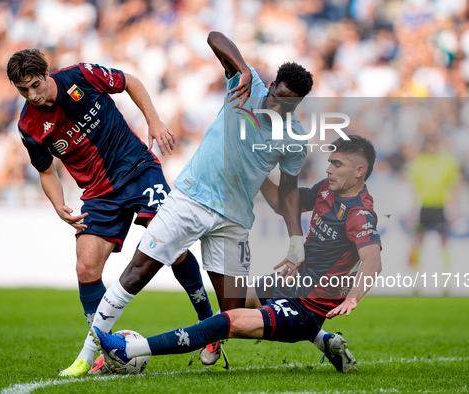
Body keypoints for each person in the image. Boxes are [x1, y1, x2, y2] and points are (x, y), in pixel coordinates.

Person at [85, 30, 314, 372]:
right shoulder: (244, 84)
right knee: (135, 273)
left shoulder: (294, 137)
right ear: (272, 84)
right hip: (190, 199)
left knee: (234, 315)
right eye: (277, 97)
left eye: (288, 104)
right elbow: (215, 37)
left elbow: (289, 191)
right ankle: (86, 356)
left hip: (234, 219)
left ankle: (225, 334)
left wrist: (296, 238)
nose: (279, 107)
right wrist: (243, 68)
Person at [91, 135, 382, 374]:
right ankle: (327, 342)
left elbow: (372, 261)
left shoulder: (359, 213)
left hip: (308, 307)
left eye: (338, 164)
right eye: (330, 162)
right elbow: (283, 203)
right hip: (294, 284)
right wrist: (257, 172)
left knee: (225, 322)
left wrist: (353, 296)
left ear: (359, 171)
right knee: (232, 294)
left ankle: (128, 350)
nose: (329, 169)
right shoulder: (326, 191)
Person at [7, 49, 214, 377]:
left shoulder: (78, 76)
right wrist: (57, 203)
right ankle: (100, 350)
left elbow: (129, 81)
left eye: (35, 85)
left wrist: (154, 121)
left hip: (138, 169)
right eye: (23, 91)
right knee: (85, 267)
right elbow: (46, 171)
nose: (32, 95)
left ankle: (209, 328)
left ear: (47, 74)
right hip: (99, 195)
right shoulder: (29, 125)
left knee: (172, 247)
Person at [407, 136, 460, 272]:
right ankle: (415, 278)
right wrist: (412, 210)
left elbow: (454, 185)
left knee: (443, 242)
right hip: (424, 206)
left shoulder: (446, 162)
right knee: (418, 242)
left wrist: (454, 206)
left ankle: (447, 277)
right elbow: (414, 188)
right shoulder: (419, 163)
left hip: (440, 206)